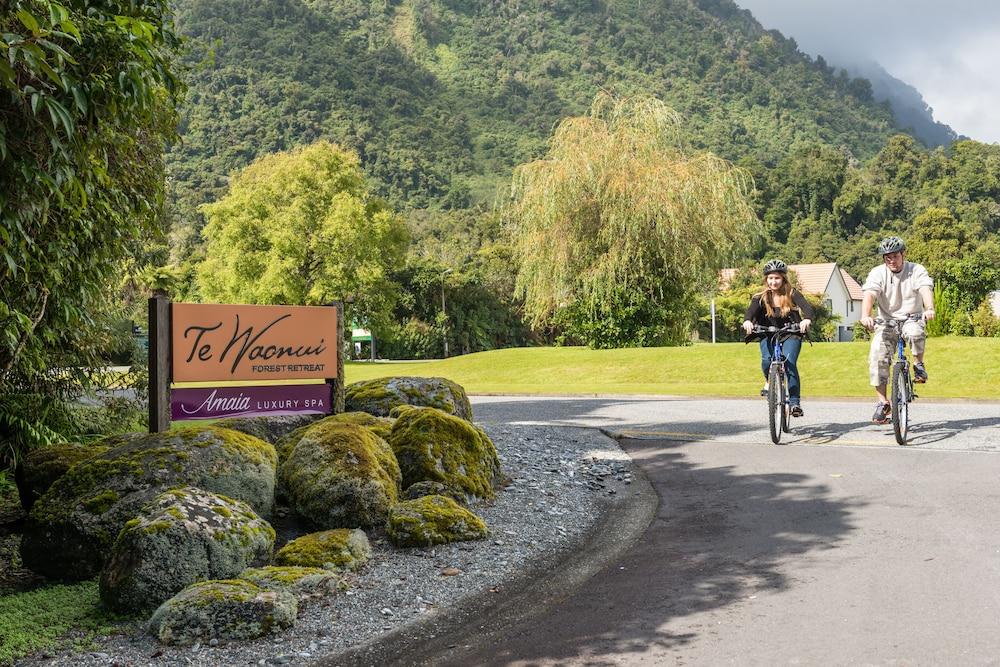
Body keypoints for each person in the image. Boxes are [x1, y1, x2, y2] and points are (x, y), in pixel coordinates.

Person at [859, 236, 935, 424]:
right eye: (887, 258)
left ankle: (918, 364)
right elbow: (869, 294)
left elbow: (925, 288)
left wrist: (930, 308)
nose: (892, 261)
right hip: (886, 321)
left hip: (912, 318)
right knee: (878, 355)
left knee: (915, 333)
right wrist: (866, 315)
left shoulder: (916, 270)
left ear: (903, 254)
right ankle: (882, 402)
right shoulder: (877, 273)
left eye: (895, 256)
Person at [742, 259, 813, 417]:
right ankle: (770, 380)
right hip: (767, 333)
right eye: (770, 278)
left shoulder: (792, 293)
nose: (774, 281)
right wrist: (747, 321)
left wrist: (807, 319)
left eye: (777, 278)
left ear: (783, 279)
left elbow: (807, 308)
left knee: (789, 363)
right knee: (767, 359)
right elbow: (750, 312)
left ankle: (794, 402)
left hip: (790, 333)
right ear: (766, 280)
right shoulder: (760, 297)